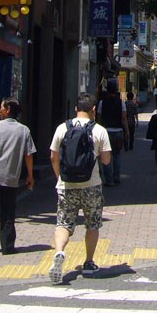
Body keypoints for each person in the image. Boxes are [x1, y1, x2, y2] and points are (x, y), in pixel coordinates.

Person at [48, 94, 112, 284]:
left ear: (76, 109)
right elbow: (107, 160)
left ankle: (59, 251)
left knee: (63, 223)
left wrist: (59, 177)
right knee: (92, 224)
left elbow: (53, 156)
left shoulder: (62, 127)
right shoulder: (99, 131)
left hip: (66, 184)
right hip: (91, 185)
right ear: (94, 110)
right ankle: (89, 262)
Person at [0, 97, 35, 254]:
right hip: (11, 178)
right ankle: (7, 247)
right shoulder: (24, 130)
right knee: (8, 211)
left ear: (8, 109)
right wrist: (30, 176)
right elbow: (29, 155)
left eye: (1, 108)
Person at [97, 79, 127, 186]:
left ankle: (109, 180)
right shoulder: (121, 103)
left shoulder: (102, 103)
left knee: (106, 156)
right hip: (118, 131)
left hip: (105, 132)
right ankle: (116, 176)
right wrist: (126, 131)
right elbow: (124, 118)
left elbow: (99, 118)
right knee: (117, 155)